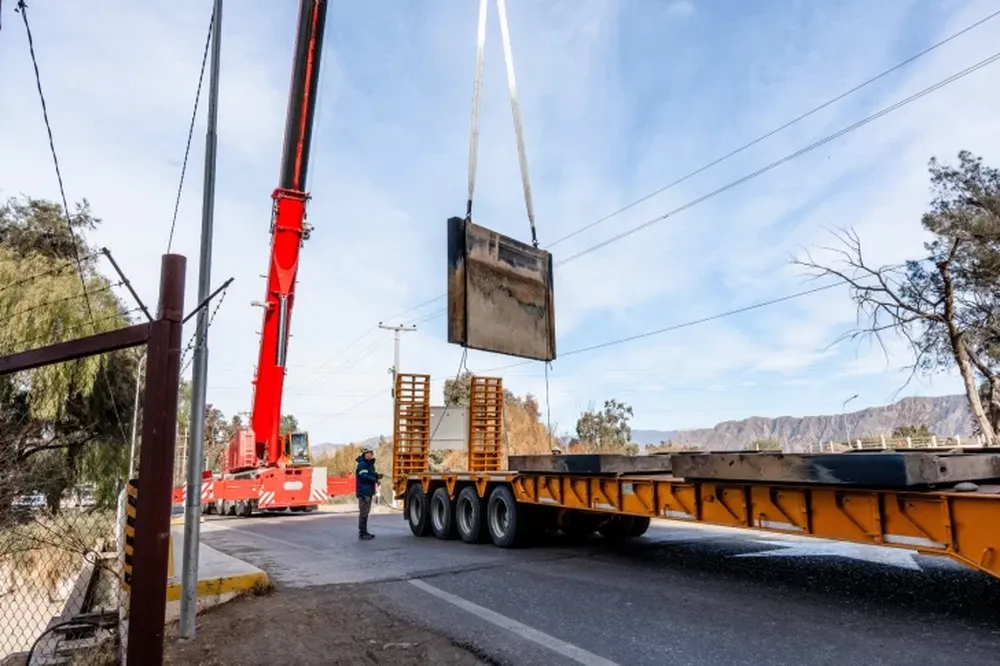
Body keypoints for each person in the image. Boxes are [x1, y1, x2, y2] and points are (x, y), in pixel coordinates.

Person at [355, 445, 382, 540]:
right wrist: (374, 479)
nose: (372, 454)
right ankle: (362, 533)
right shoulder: (362, 464)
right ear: (366, 454)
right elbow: (363, 476)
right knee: (364, 513)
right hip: (364, 492)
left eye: (372, 453)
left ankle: (364, 532)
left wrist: (377, 475)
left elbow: (369, 473)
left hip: (368, 491)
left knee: (366, 512)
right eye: (370, 453)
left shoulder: (368, 464)